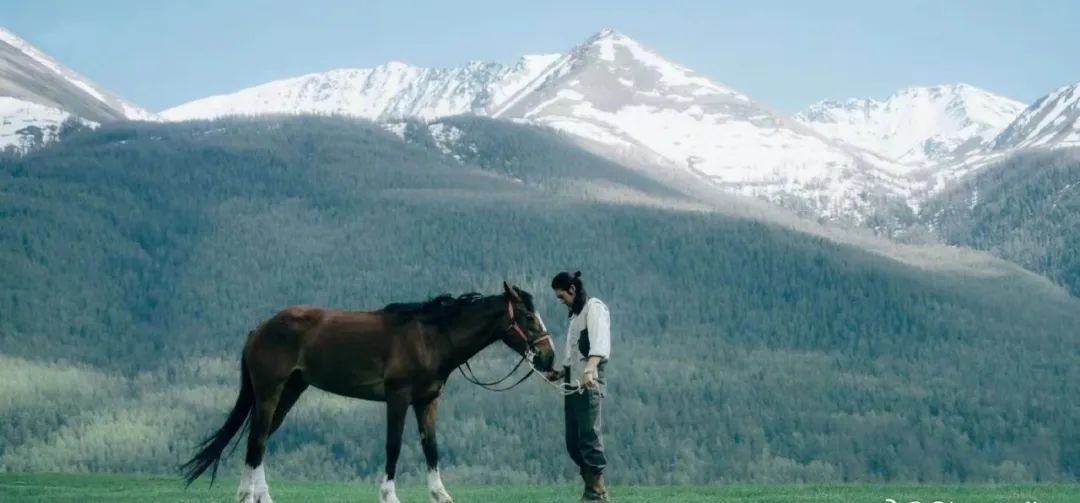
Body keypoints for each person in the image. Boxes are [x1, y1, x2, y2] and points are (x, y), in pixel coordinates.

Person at [547, 270, 611, 502]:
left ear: (572, 290)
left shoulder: (594, 308)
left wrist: (589, 370)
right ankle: (592, 490)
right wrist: (560, 372)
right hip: (572, 385)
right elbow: (573, 356)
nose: (561, 301)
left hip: (588, 384)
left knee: (589, 439)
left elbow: (599, 345)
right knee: (573, 443)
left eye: (562, 296)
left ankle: (597, 493)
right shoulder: (575, 317)